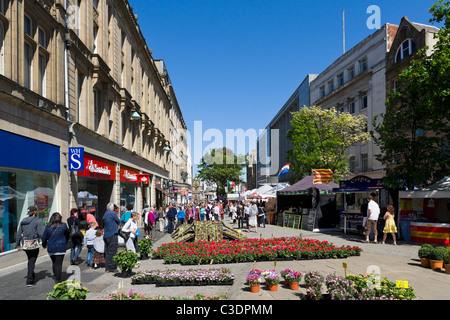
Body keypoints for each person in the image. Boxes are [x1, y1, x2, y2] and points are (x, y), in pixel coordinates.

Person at [16, 206, 44, 287]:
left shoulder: (23, 221)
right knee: (32, 260)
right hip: (34, 244)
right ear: (35, 212)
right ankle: (29, 280)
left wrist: (18, 245)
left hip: (25, 244)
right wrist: (45, 242)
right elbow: (41, 234)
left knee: (30, 260)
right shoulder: (38, 221)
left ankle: (31, 274)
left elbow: (18, 234)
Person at [42, 212, 70, 283]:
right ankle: (58, 279)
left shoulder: (48, 227)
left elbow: (44, 237)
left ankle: (55, 276)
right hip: (61, 246)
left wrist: (44, 244)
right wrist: (66, 242)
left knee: (54, 262)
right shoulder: (63, 225)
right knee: (59, 263)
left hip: (51, 247)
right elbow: (67, 234)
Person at [103, 202, 121, 272]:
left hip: (106, 235)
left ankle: (107, 267)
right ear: (112, 208)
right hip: (112, 234)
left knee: (107, 252)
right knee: (113, 251)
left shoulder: (105, 214)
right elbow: (118, 221)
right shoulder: (113, 213)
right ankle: (112, 267)